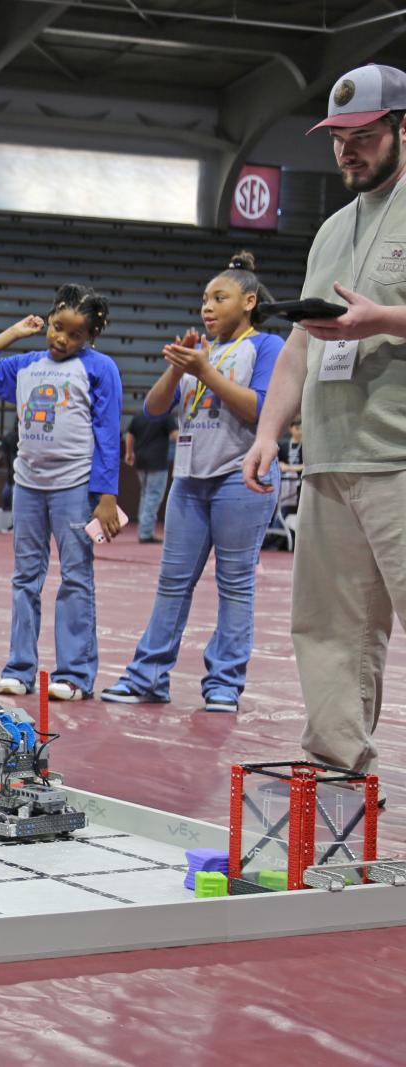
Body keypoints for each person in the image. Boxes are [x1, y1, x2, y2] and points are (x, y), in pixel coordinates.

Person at [242, 63, 406, 780]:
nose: (349, 151)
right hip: (332, 463)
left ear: (404, 129)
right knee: (329, 632)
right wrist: (267, 434)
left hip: (400, 459)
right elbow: (301, 347)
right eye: (339, 138)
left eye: (365, 135)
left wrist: (384, 319)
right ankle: (342, 776)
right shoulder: (333, 230)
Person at [102, 253, 282, 713]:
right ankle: (147, 676)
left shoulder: (266, 347)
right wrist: (181, 367)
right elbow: (155, 409)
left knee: (235, 583)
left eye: (219, 298)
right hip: (189, 480)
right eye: (204, 298)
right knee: (172, 583)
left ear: (248, 301)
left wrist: (205, 371)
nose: (207, 306)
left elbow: (261, 409)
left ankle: (223, 684)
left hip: (240, 476)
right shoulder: (203, 351)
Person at [0, 284, 122, 701]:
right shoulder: (26, 364)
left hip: (74, 487)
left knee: (75, 578)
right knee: (25, 578)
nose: (61, 339)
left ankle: (75, 674)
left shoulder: (100, 368)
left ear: (89, 337)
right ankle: (19, 668)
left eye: (74, 334)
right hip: (28, 487)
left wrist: (107, 496)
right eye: (56, 327)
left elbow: (107, 433)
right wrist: (13, 334)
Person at [124, 407, 176, 543]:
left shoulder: (139, 414)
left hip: (141, 459)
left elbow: (129, 434)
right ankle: (145, 532)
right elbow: (175, 435)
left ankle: (144, 529)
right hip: (157, 460)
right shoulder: (165, 414)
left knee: (145, 495)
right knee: (153, 496)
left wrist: (129, 453)